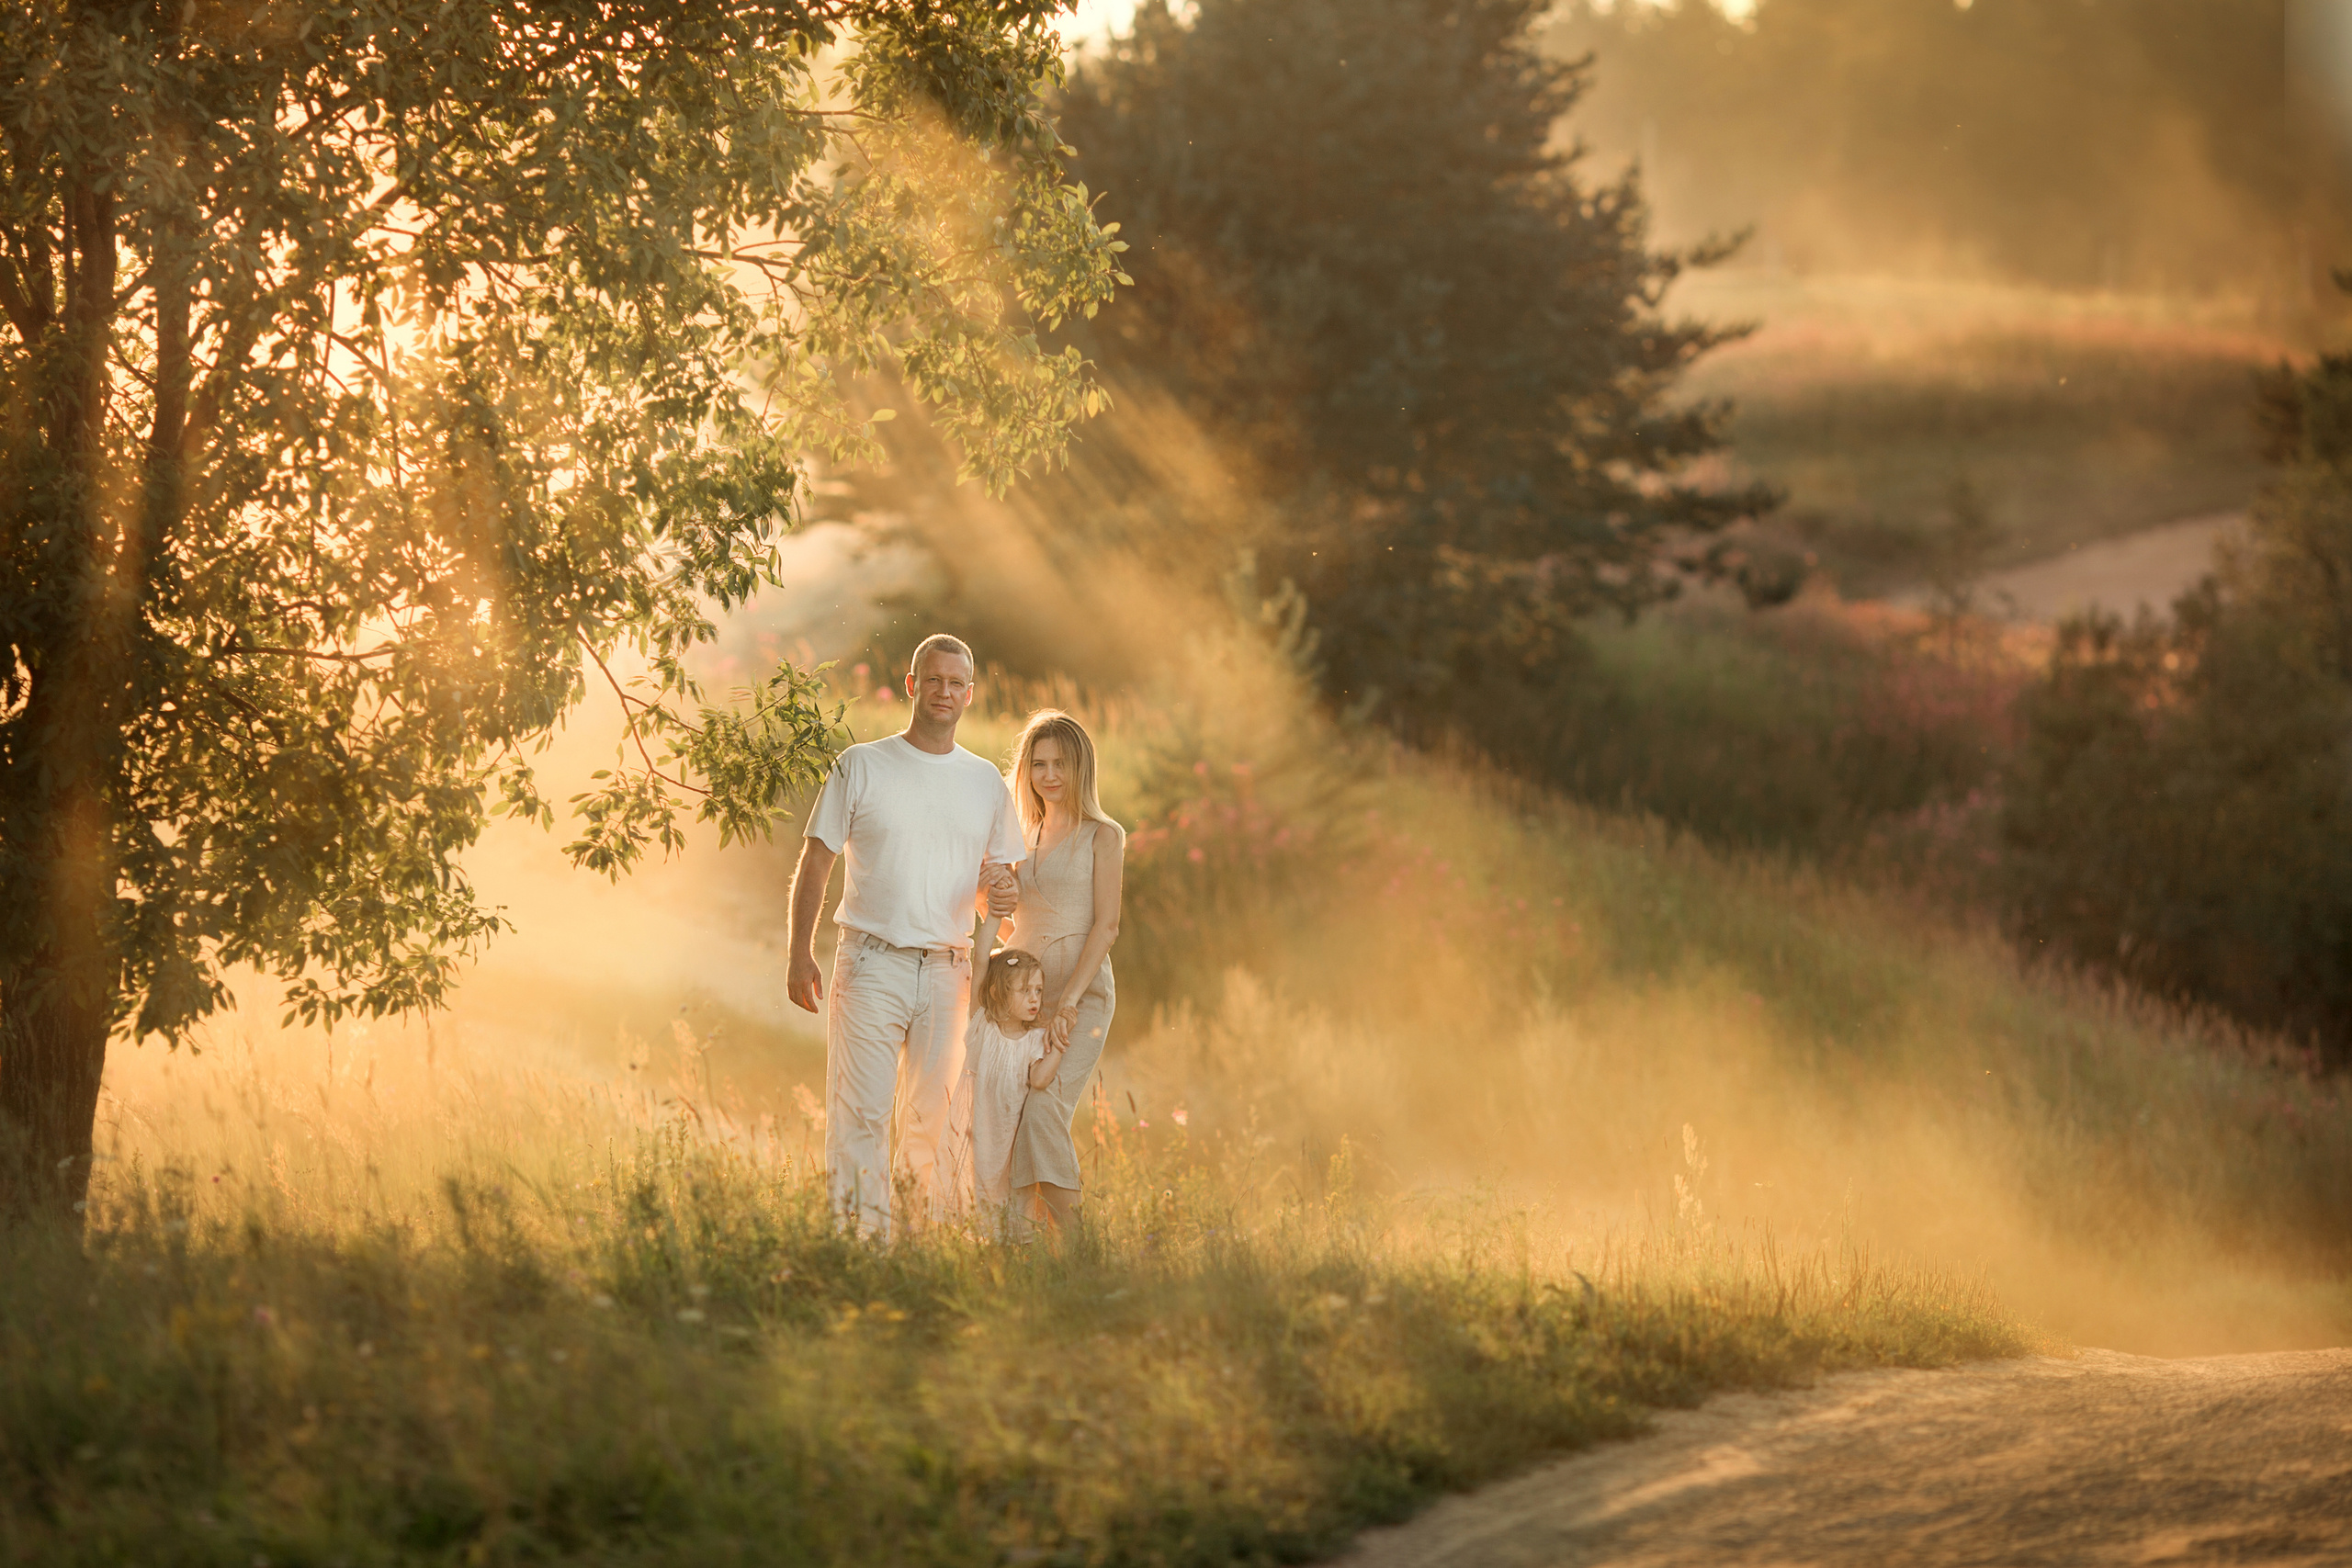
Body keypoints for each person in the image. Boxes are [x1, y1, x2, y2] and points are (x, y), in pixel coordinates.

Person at [786, 634, 1023, 1237]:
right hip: (869, 962)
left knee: (934, 1117)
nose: (944, 691)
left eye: (956, 683)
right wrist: (799, 954)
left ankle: (923, 1244)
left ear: (969, 695)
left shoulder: (985, 785)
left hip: (949, 971)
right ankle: (861, 1245)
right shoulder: (860, 764)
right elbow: (817, 861)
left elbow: (992, 888)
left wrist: (995, 895)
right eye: (933, 679)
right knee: (860, 1113)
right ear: (913, 684)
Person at [1000, 709, 1125, 1236]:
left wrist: (1070, 1002)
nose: (1049, 775)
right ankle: (1023, 1244)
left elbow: (1107, 927)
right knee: (1012, 1115)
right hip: (1021, 996)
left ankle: (1078, 1242)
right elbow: (1009, 919)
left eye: (1061, 764)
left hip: (1082, 995)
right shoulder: (1017, 834)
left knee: (1044, 1104)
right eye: (1039, 763)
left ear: (1081, 768)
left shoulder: (1103, 835)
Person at [954, 945, 1060, 1217]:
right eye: (1025, 991)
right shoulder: (983, 1027)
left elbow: (1039, 1079)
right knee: (978, 1198)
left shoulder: (1035, 1039)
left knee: (1015, 1203)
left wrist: (1059, 1044)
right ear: (997, 992)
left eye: (1038, 991)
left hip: (1013, 1141)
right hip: (981, 1135)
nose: (1034, 999)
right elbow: (979, 962)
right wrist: (994, 913)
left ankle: (1018, 1249)